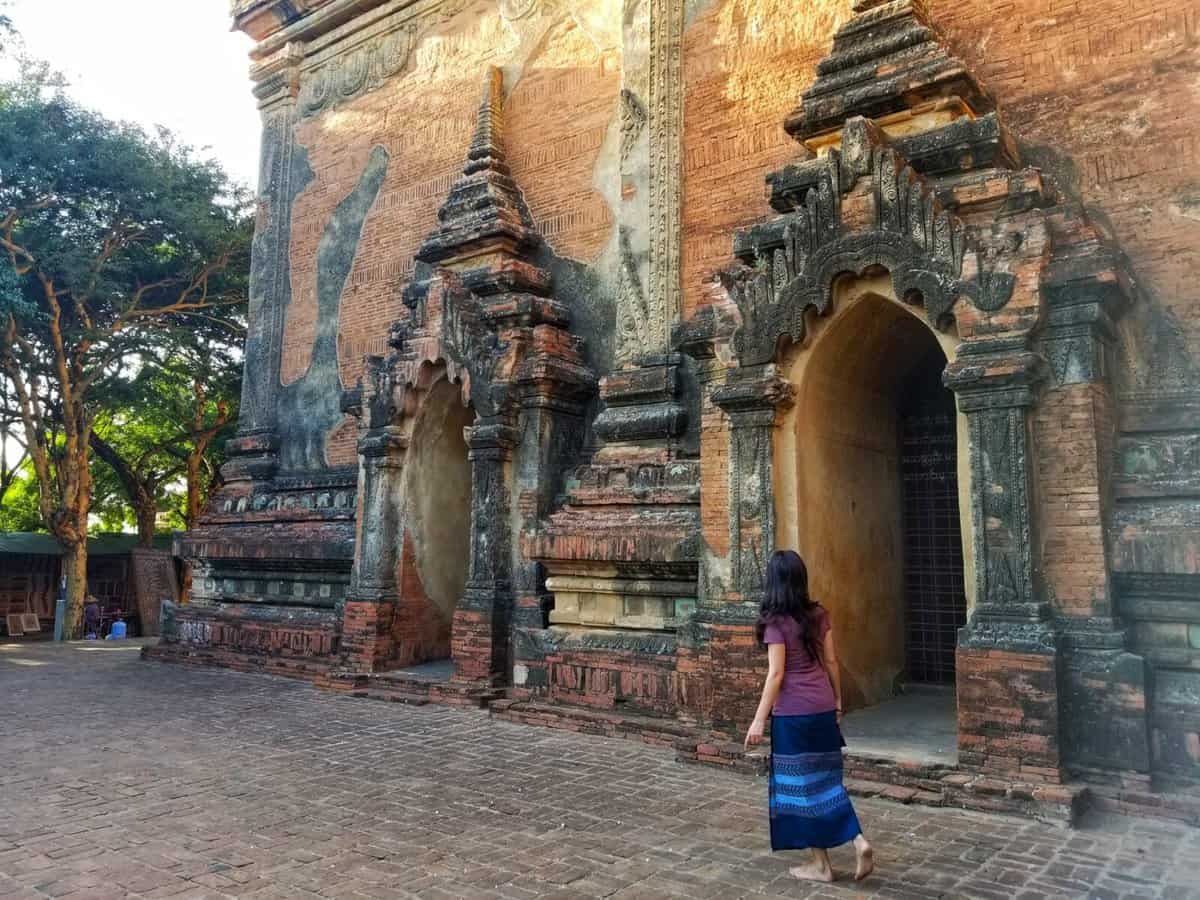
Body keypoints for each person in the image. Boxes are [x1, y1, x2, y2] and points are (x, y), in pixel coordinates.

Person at [744, 549, 873, 883]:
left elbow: (776, 674)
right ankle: (845, 848)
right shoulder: (819, 614)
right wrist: (838, 700)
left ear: (773, 583)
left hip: (793, 715)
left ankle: (830, 860)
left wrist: (759, 719)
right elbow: (831, 661)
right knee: (825, 781)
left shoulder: (775, 623)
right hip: (823, 707)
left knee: (800, 788)